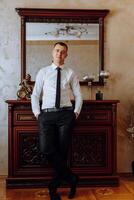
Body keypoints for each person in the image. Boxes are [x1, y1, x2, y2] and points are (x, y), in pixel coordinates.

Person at [31, 42, 83, 200]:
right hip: (46, 115)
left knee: (62, 153)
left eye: (63, 52)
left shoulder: (70, 73)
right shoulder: (43, 72)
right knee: (46, 148)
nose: (59, 54)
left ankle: (54, 189)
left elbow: (78, 95)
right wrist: (37, 114)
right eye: (57, 51)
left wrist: (75, 113)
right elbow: (35, 94)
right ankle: (71, 178)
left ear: (66, 55)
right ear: (52, 52)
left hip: (65, 116)